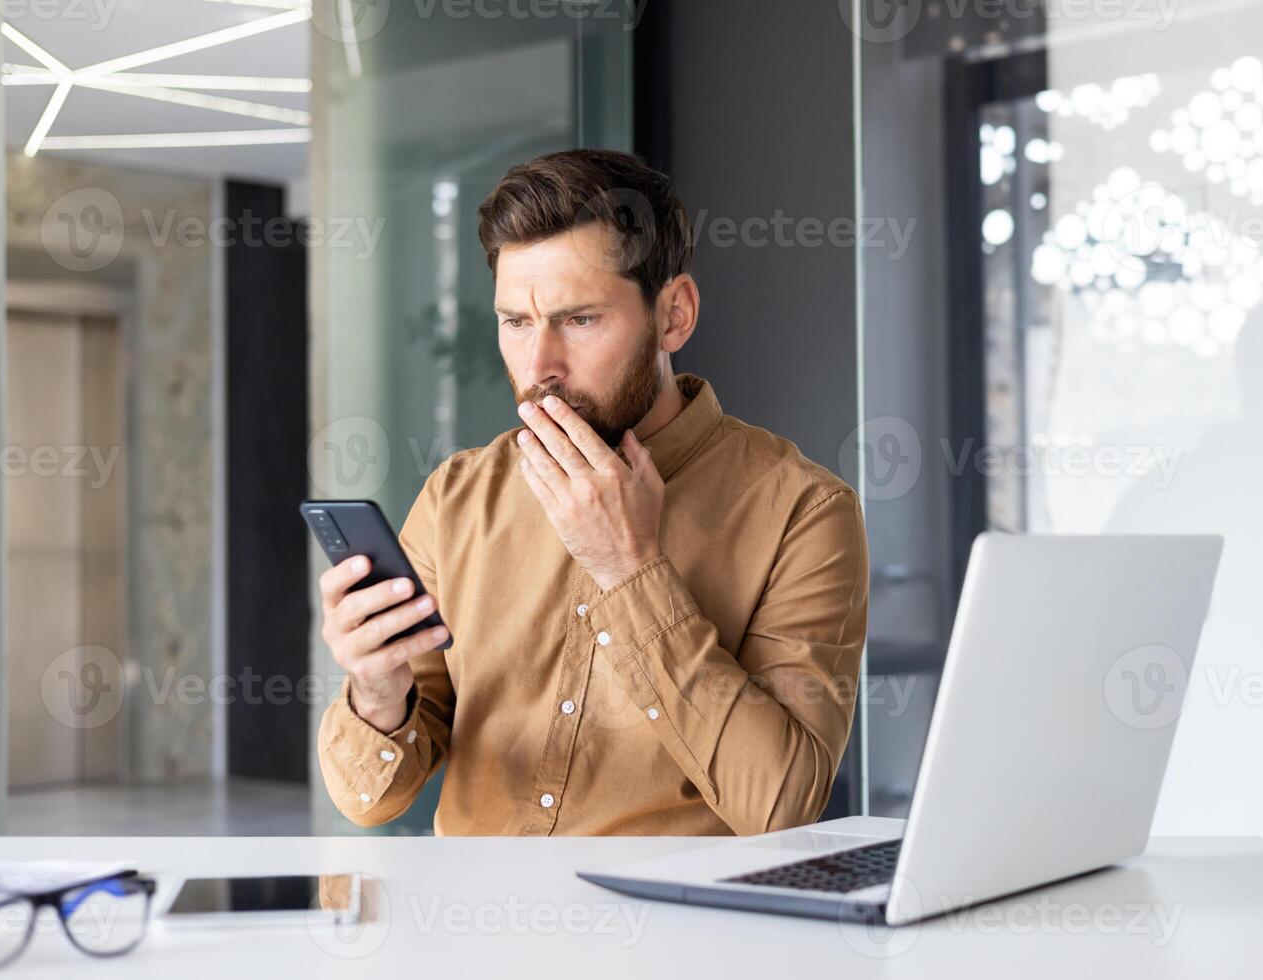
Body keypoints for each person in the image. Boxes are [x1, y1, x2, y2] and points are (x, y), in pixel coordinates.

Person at [316, 149, 870, 836]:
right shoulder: (456, 497)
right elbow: (370, 799)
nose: (539, 366)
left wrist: (631, 572)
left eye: (579, 320)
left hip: (680, 937)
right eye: (515, 322)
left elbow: (780, 803)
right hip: (474, 932)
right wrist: (377, 688)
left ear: (674, 315)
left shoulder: (803, 513)